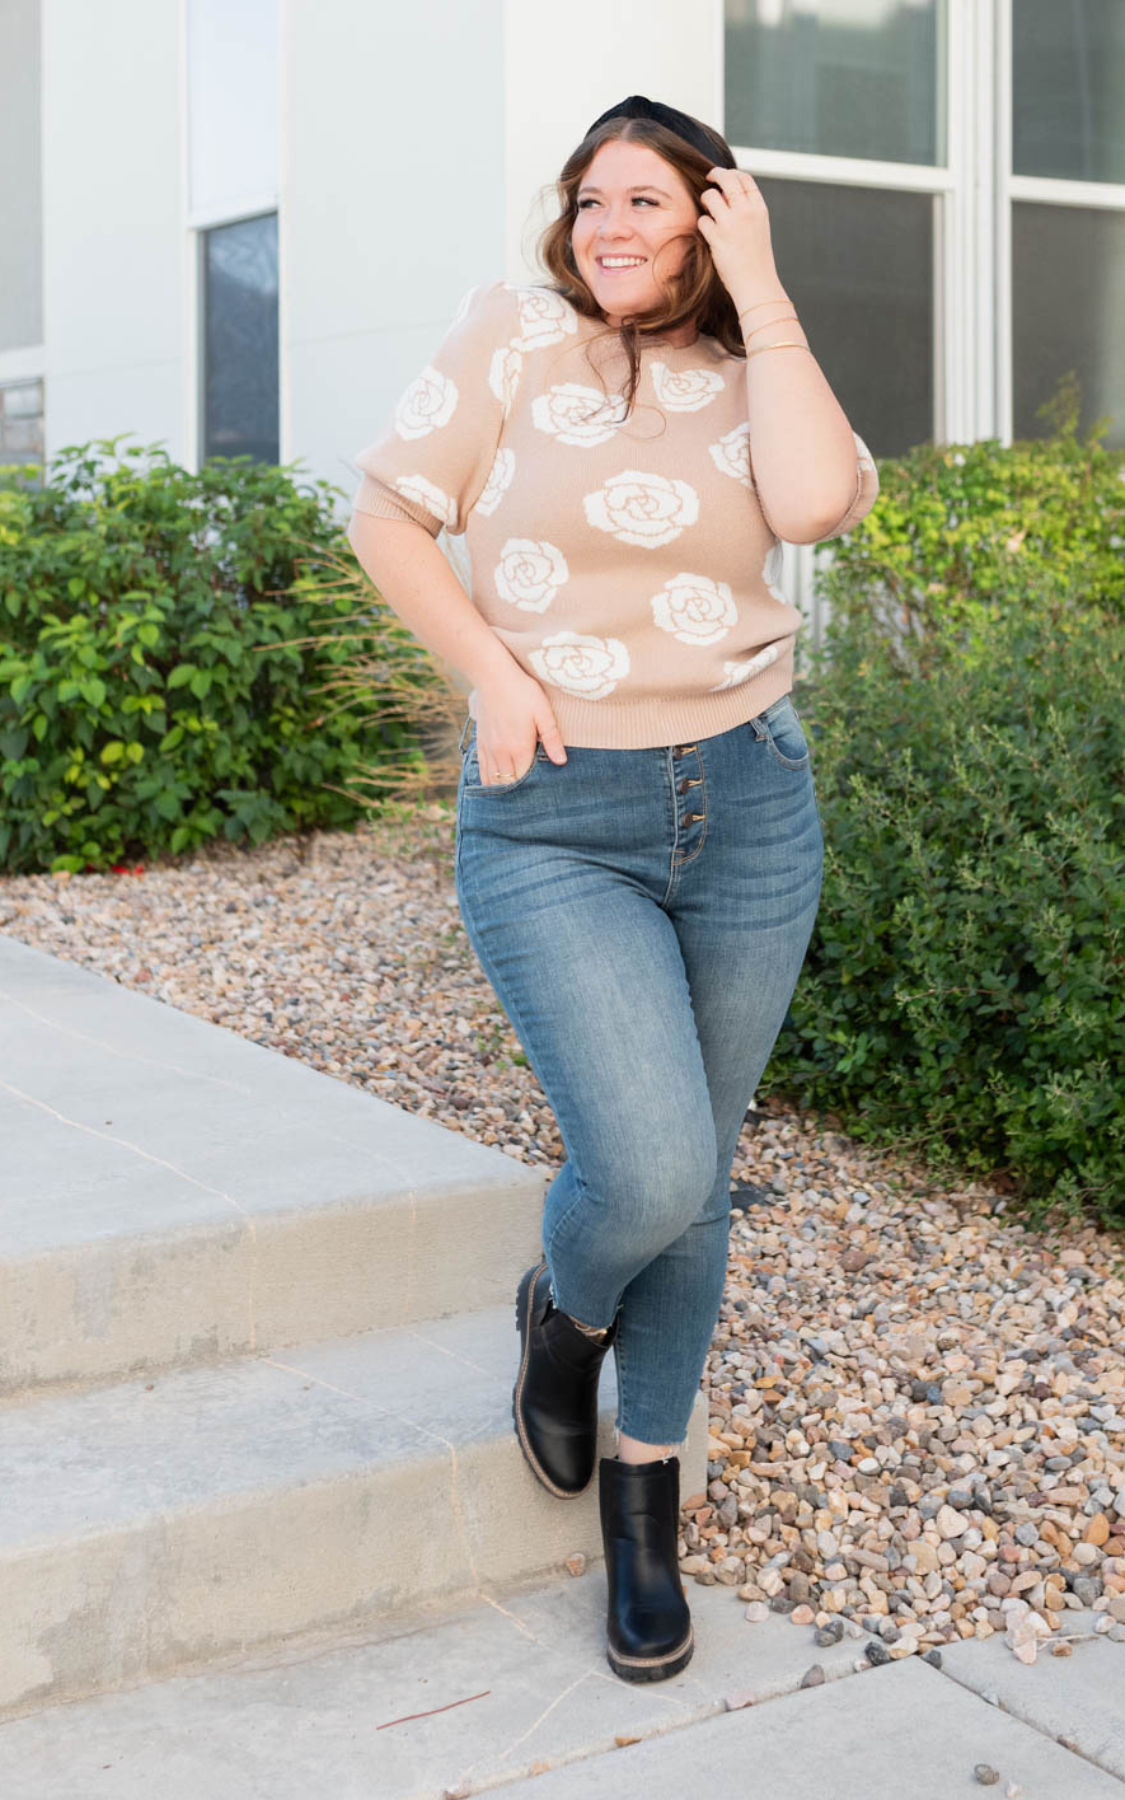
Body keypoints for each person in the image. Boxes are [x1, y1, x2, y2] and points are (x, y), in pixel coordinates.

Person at [346, 94, 878, 1684]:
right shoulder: (510, 334)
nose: (609, 225)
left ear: (713, 221)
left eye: (648, 200)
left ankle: (642, 1495)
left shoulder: (754, 368)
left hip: (751, 804)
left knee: (700, 1177)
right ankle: (564, 1313)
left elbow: (814, 506)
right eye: (592, 199)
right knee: (644, 1172)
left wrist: (766, 290)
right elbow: (388, 512)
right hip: (551, 814)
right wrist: (491, 679)